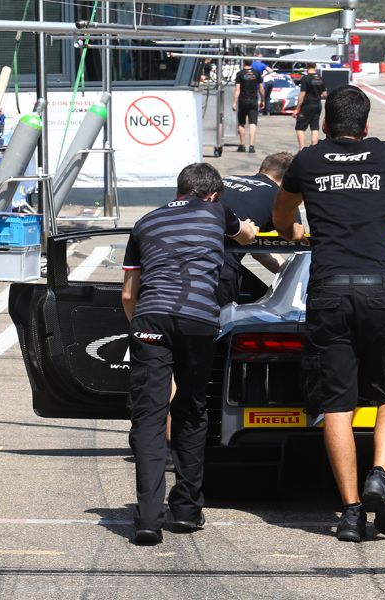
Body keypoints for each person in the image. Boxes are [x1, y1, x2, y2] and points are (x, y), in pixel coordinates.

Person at [272, 85, 385, 543]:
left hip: (329, 289)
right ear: (366, 125)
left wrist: (296, 232)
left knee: (338, 403)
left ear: (324, 124)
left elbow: (282, 216)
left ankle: (352, 509)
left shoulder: (308, 161)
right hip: (380, 287)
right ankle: (380, 473)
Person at [121, 163, 258, 545]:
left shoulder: (145, 221)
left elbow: (129, 292)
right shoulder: (217, 210)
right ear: (213, 194)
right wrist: (249, 227)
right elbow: (244, 236)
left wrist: (141, 329)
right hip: (198, 319)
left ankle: (148, 519)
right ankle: (185, 510)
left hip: (150, 316)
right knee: (192, 409)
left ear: (180, 190)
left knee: (149, 416)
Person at [218, 152, 298, 305]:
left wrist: (287, 275)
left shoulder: (227, 179)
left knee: (260, 297)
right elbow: (298, 240)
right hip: (219, 269)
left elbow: (260, 253)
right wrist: (298, 280)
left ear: (263, 168)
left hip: (171, 256)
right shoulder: (279, 196)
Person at [233, 59, 265, 153]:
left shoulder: (240, 74)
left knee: (241, 123)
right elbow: (261, 89)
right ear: (251, 63)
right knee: (252, 123)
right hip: (253, 101)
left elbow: (237, 89)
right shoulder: (257, 73)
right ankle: (251, 146)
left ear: (243, 62)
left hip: (243, 100)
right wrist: (262, 100)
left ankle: (242, 145)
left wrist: (234, 102)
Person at [293, 63, 327, 150]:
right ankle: (314, 149)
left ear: (307, 66)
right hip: (317, 105)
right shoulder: (320, 78)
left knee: (300, 127)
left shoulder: (305, 78)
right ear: (315, 66)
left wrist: (297, 108)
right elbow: (324, 94)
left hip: (307, 105)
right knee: (314, 126)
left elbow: (302, 94)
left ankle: (302, 149)